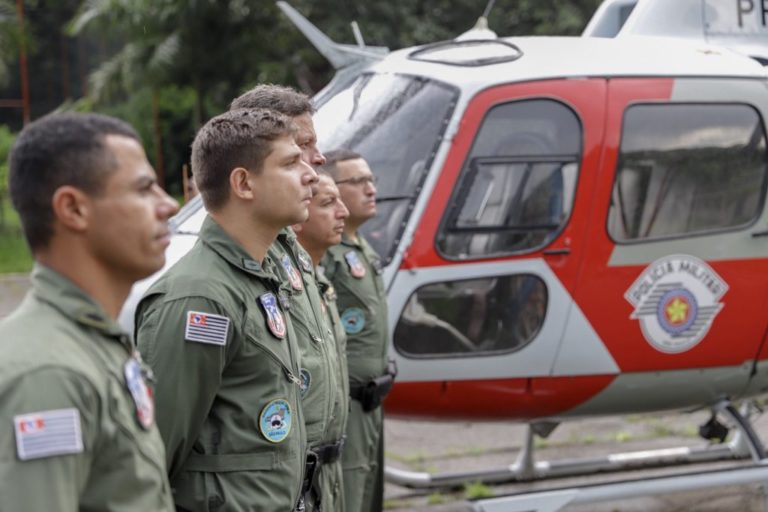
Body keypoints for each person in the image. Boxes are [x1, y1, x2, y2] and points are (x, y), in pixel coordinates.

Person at [134, 108, 317, 511]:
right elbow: (153, 458)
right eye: (290, 163)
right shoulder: (199, 298)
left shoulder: (259, 276)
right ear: (243, 183)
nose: (312, 174)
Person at [0, 112, 178, 511]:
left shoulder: (95, 341)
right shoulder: (48, 373)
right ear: (73, 209)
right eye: (144, 189)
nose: (168, 205)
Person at [231, 85, 348, 511]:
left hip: (318, 476)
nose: (317, 161)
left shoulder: (287, 249)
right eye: (301, 148)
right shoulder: (225, 275)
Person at [320, 150, 392, 512]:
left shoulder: (360, 246)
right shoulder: (328, 252)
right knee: (348, 497)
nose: (370, 188)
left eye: (371, 180)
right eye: (358, 181)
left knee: (369, 497)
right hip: (348, 404)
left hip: (373, 403)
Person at [293, 172, 351, 511]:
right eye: (328, 203)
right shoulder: (287, 288)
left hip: (333, 461)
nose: (342, 212)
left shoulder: (320, 282)